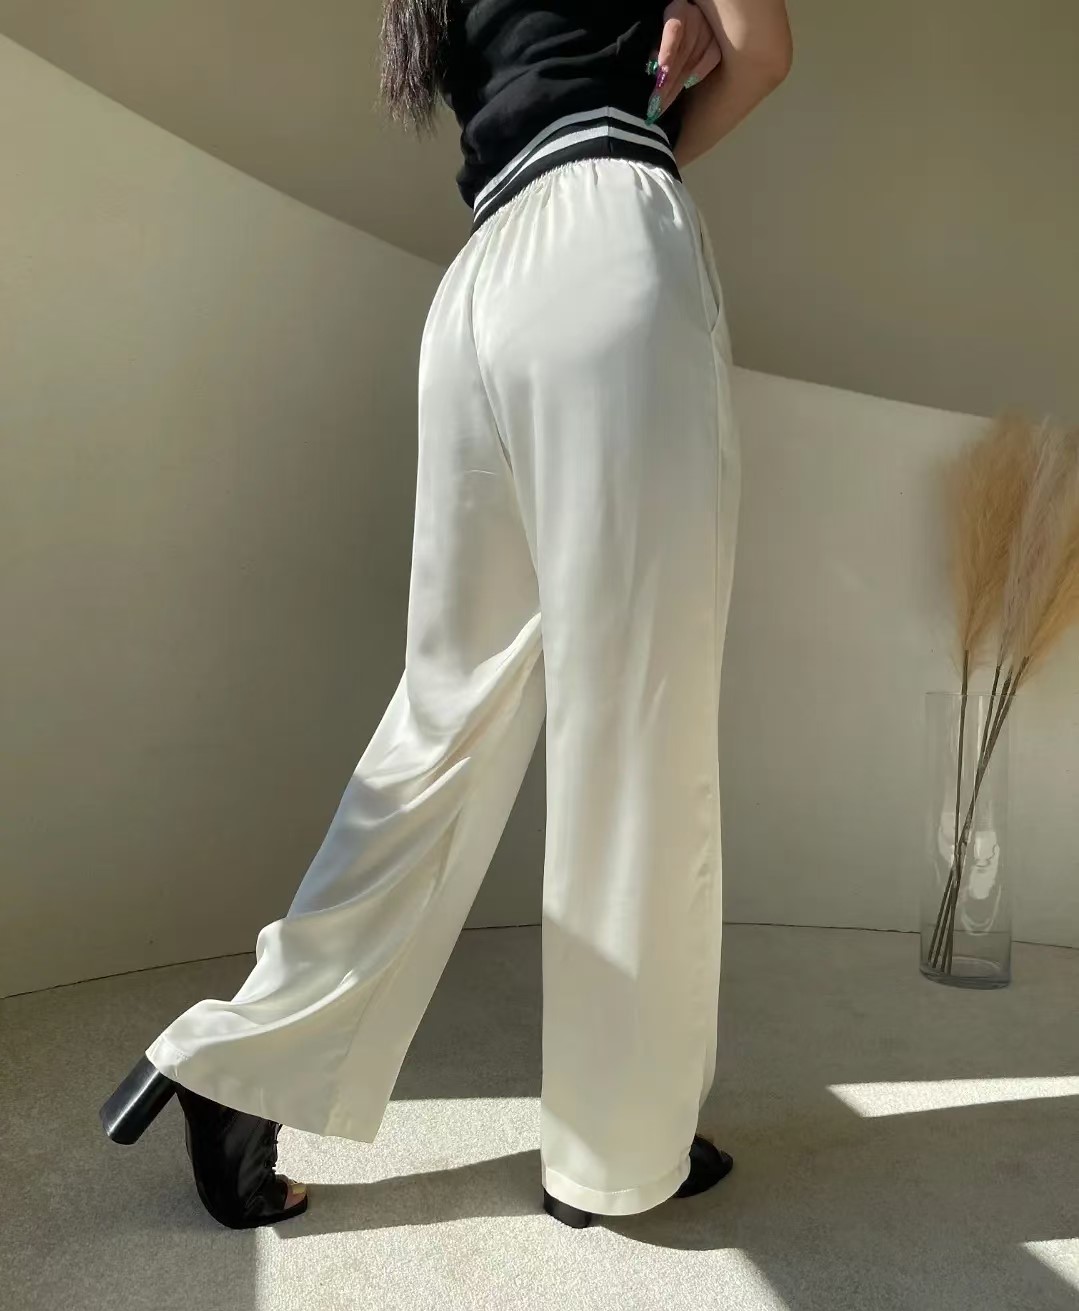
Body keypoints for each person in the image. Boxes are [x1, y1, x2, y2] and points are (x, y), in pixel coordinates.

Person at [101, 0, 793, 1231]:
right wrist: (651, 122)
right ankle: (616, 1150)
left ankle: (236, 1062)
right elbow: (764, 52)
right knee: (635, 723)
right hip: (607, 239)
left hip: (481, 279)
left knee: (441, 718)